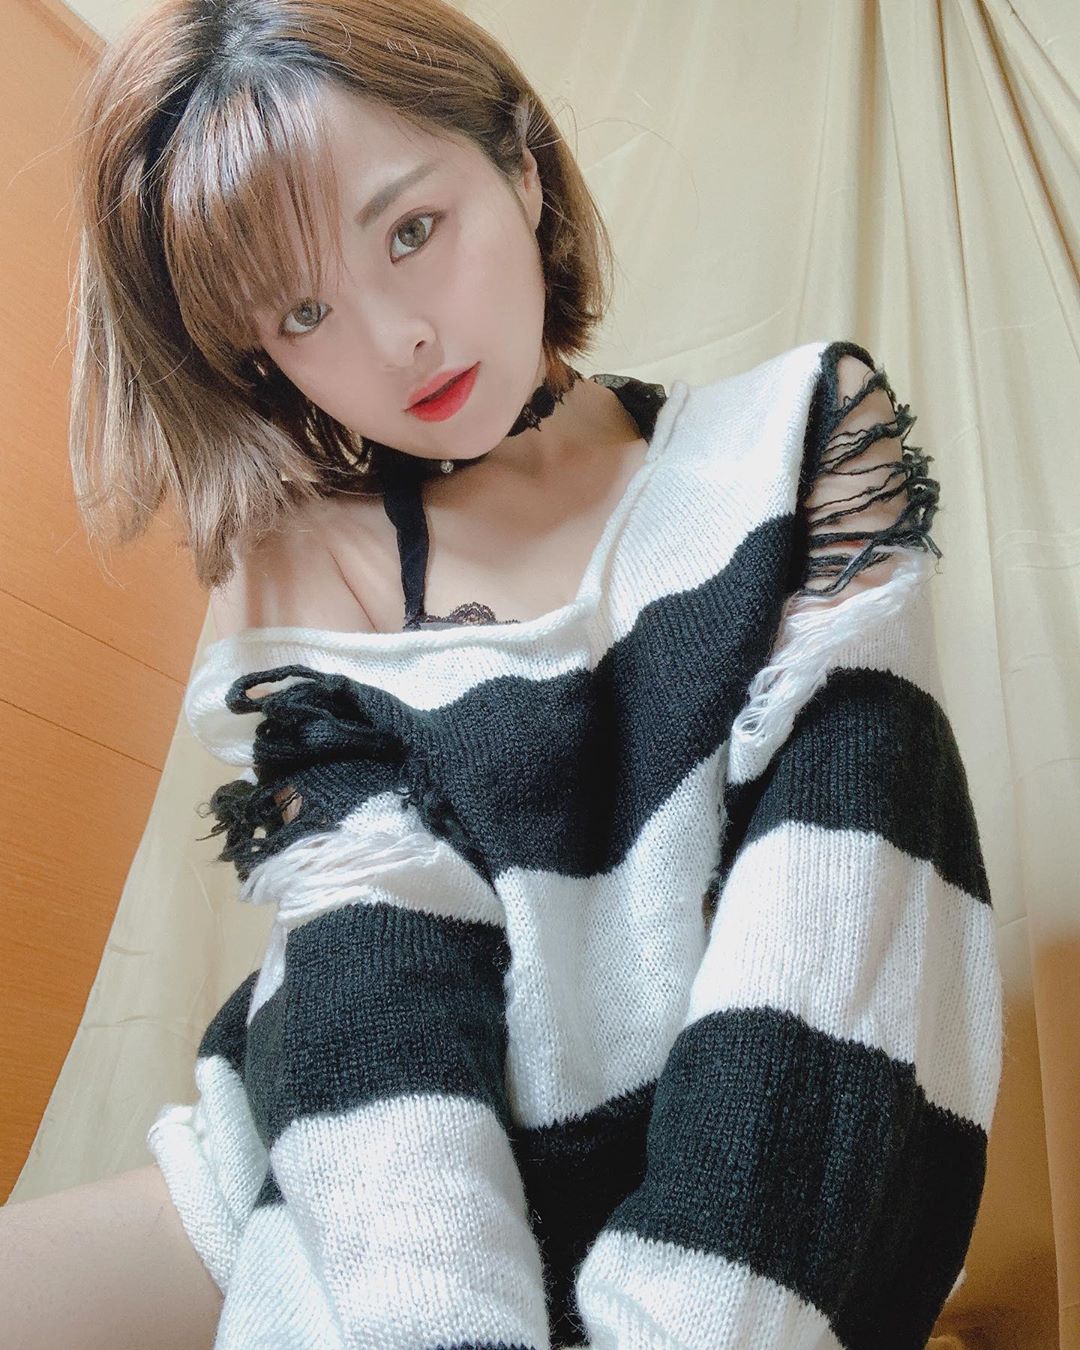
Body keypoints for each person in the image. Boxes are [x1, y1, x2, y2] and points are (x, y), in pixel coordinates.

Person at [1, 0, 1004, 1346]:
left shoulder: (794, 442)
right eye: (304, 310)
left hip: (714, 1207)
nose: (394, 339)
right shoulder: (311, 568)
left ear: (520, 166)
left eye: (412, 230)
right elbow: (378, 1016)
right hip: (345, 1175)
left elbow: (834, 958)